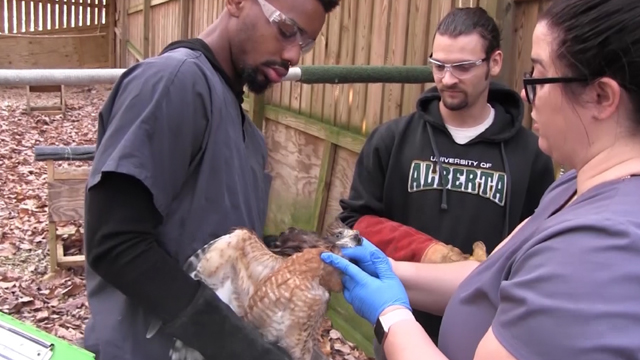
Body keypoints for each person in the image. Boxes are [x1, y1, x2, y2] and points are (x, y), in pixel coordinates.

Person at [323, 0, 640, 359]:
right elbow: (485, 280)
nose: (525, 92)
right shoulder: (571, 187)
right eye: (439, 65)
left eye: (538, 75)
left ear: (601, 97)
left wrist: (391, 313)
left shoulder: (605, 244)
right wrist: (392, 271)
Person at [81, 0, 340, 359]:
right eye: (285, 30)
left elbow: (203, 241)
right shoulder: (173, 83)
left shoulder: (249, 134)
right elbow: (116, 244)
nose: (294, 53)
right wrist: (247, 351)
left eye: (305, 42)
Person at [337, 6, 555, 350]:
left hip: (487, 338)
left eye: (463, 67)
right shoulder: (392, 141)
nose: (447, 78)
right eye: (439, 65)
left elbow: (537, 247)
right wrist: (427, 252)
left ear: (494, 63)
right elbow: (354, 224)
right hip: (401, 319)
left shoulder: (531, 155)